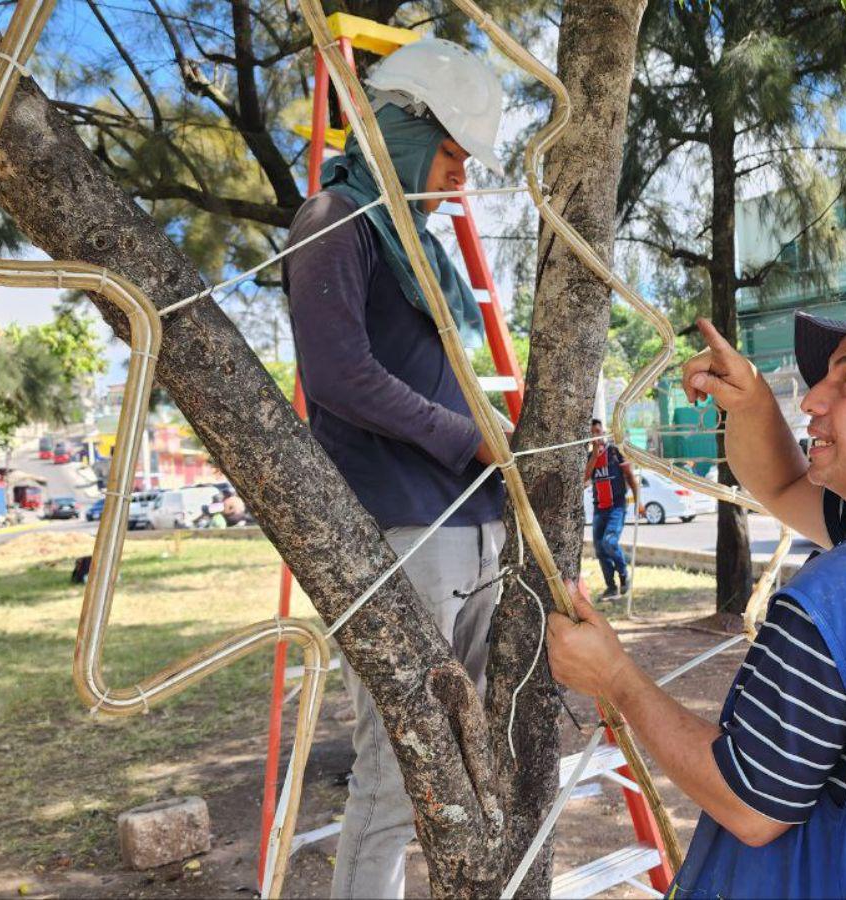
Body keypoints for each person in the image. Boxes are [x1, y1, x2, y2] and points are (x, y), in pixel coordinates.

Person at [547, 295, 846, 898]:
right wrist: (753, 397)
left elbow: (751, 805)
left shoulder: (836, 602)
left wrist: (615, 678)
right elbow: (782, 482)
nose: (812, 399)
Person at [281, 38, 506, 900]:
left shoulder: (414, 238)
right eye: (452, 153)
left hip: (471, 525)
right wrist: (467, 439)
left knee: (471, 761)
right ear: (405, 129)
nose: (461, 178)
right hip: (409, 534)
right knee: (396, 775)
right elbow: (339, 378)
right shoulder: (335, 218)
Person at [585, 418, 643, 600]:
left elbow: (631, 478)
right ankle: (611, 587)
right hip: (599, 508)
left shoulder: (616, 453)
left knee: (609, 542)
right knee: (600, 550)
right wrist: (594, 453)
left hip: (616, 507)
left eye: (598, 431)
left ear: (603, 432)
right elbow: (585, 478)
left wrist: (639, 503)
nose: (596, 435)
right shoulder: (590, 458)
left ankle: (624, 575)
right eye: (592, 433)